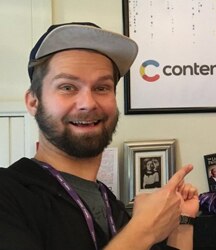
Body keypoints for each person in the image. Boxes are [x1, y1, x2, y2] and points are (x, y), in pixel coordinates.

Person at [0, 22, 199, 250]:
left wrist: (181, 223)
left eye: (102, 88)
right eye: (67, 87)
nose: (88, 103)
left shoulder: (112, 207)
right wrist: (143, 230)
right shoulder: (9, 194)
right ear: (33, 102)